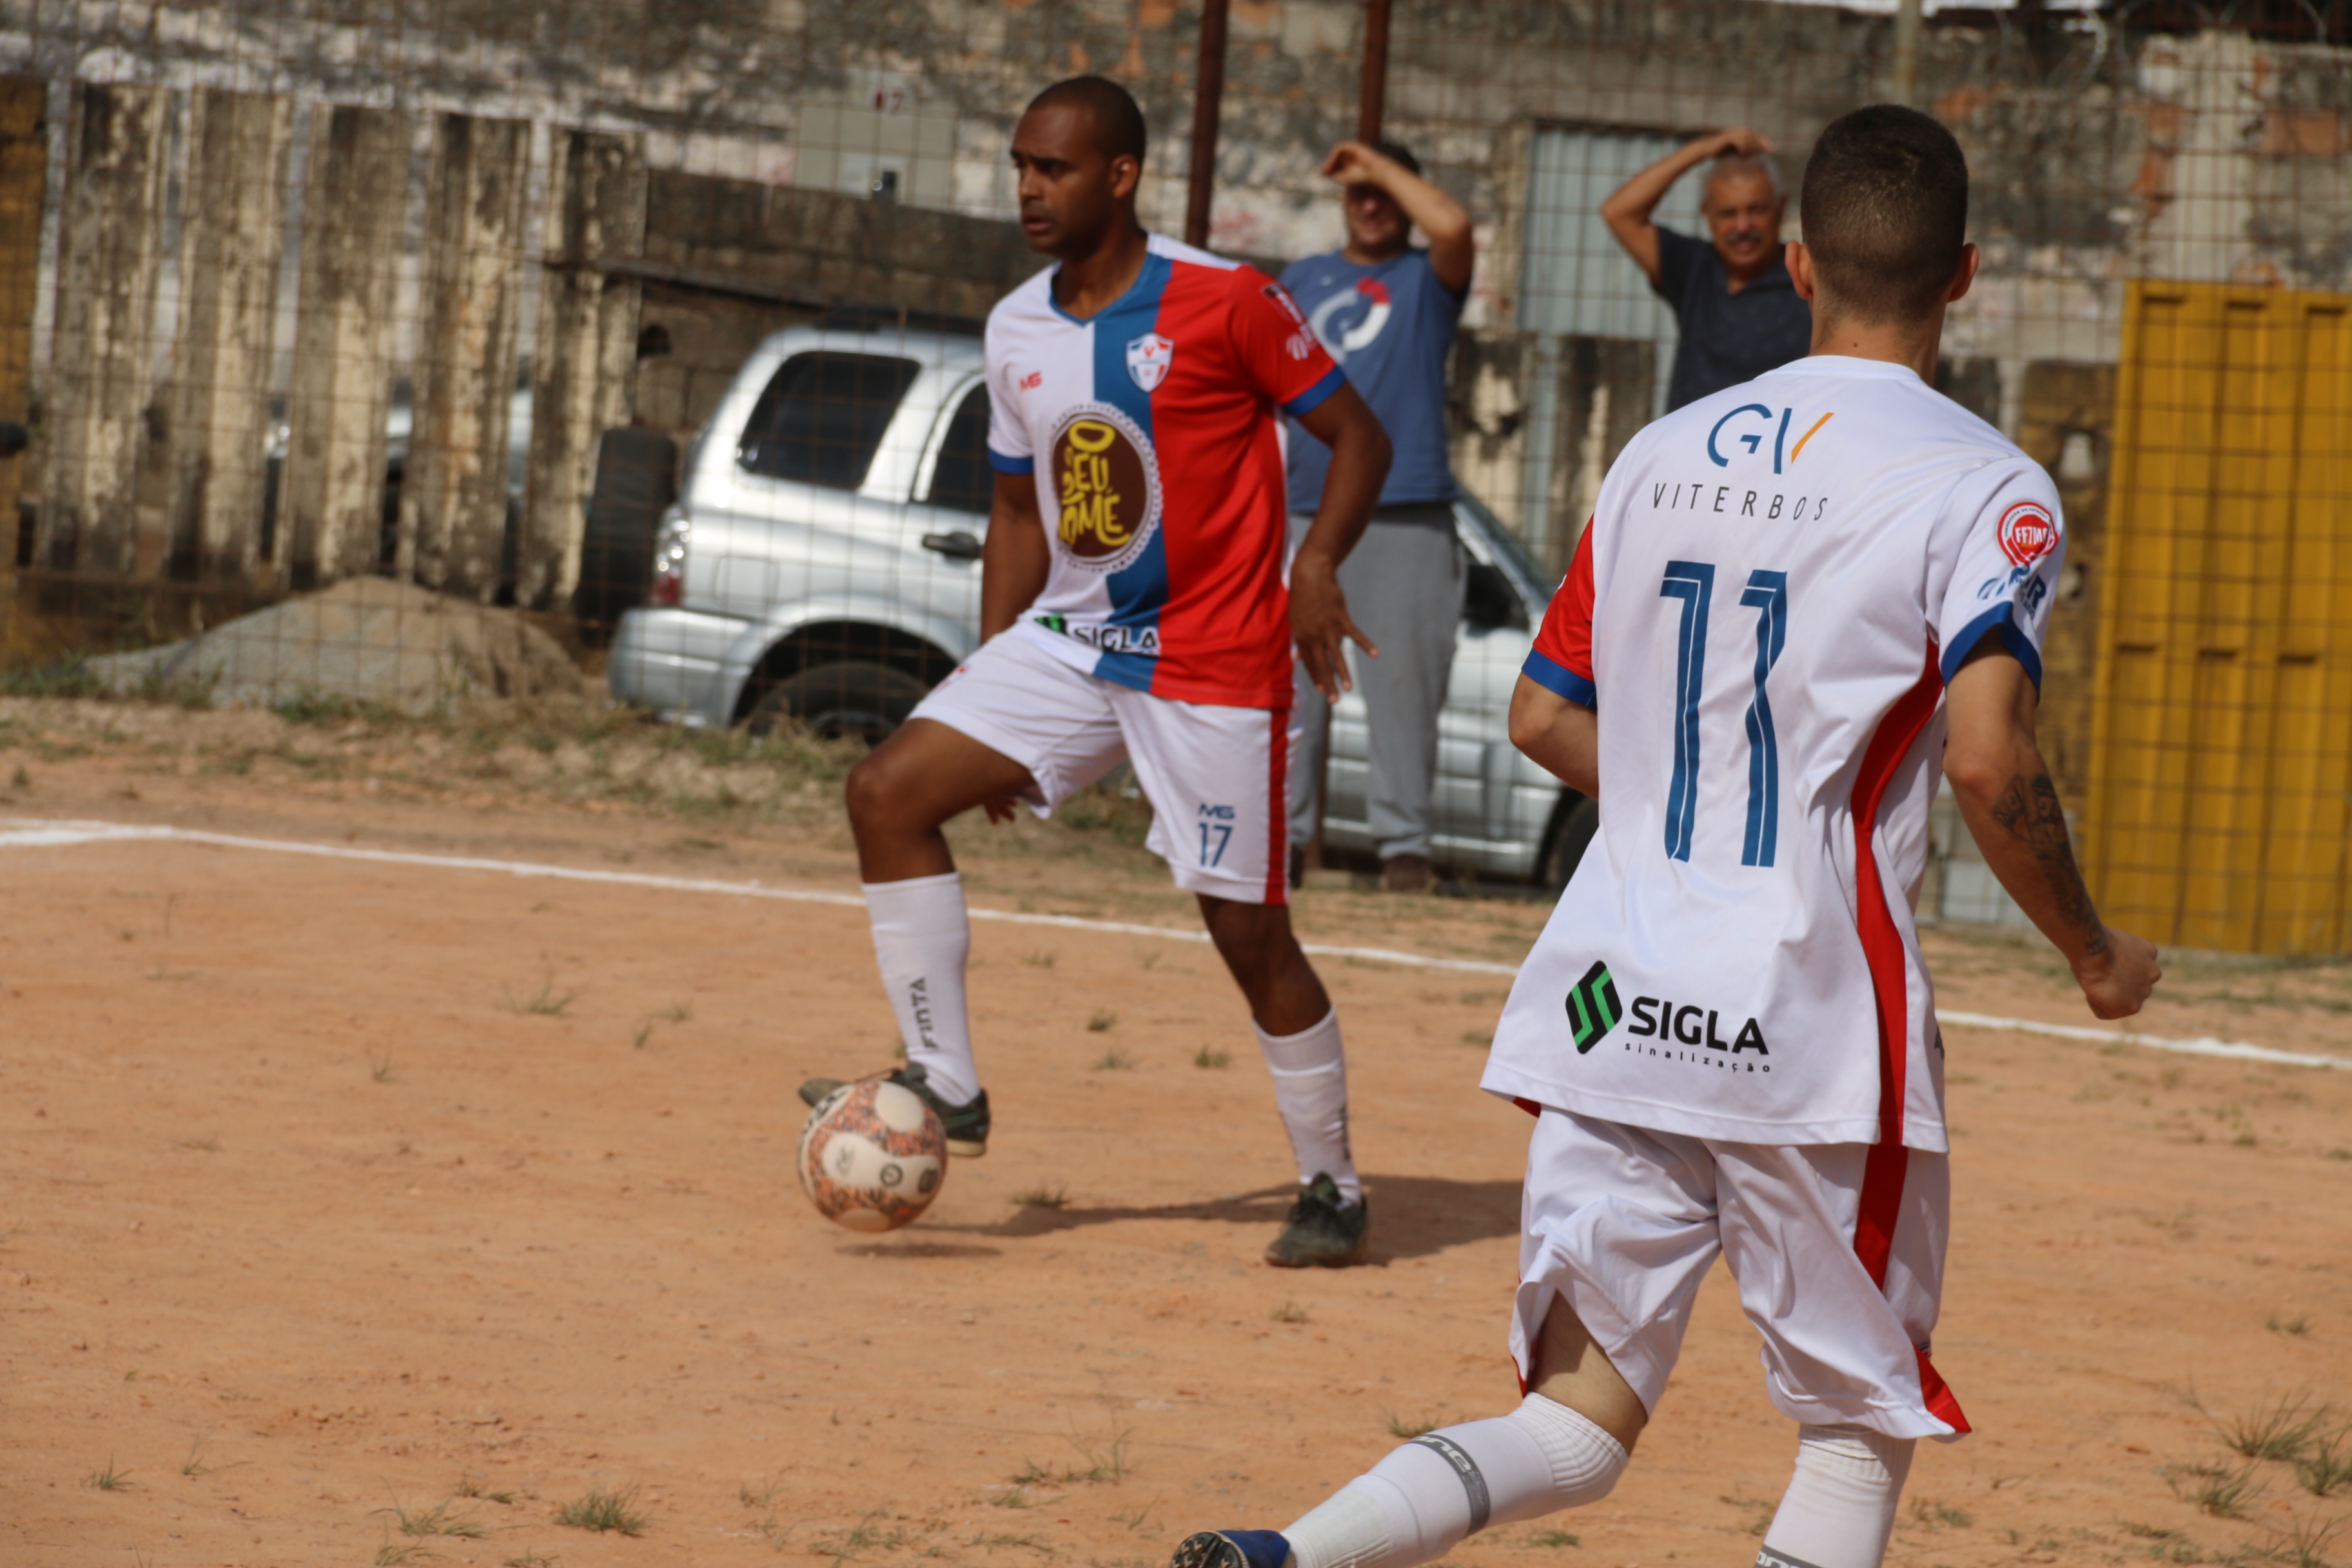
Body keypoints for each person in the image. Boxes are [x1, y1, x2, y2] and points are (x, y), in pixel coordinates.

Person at [1165, 104, 2162, 1568]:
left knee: (1573, 1422)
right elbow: (1987, 752)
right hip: (1812, 1023)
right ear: (1963, 276)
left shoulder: (1660, 453)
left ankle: (1285, 1555)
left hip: (1612, 988)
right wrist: (2092, 946)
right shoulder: (1985, 483)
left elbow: (1543, 714)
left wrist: (1683, 820)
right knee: (1850, 1430)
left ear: (1804, 263)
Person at [803, 77, 1395, 1269]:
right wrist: (985, 697)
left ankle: (1331, 1184)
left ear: (1118, 176)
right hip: (1071, 645)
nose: (1027, 187)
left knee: (1247, 933)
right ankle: (949, 1083)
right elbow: (1017, 511)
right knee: (886, 792)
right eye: (1020, 164)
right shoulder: (1015, 325)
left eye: (1053, 168)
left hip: (1213, 662)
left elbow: (1358, 436)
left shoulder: (1224, 301)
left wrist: (1316, 564)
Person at [1280, 139, 1473, 894]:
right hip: (1304, 512)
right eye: (1356, 193)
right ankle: (1283, 847)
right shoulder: (1302, 280)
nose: (1367, 205)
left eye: (1384, 194)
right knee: (1293, 690)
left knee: (1405, 691)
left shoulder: (1427, 279)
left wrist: (1377, 165)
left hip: (1407, 511)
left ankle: (1405, 859)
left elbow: (1454, 230)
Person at [1602, 127, 1813, 411]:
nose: (1742, 227)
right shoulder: (1693, 268)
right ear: (1707, 214)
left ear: (1781, 208)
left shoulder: (1805, 280)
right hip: (1686, 452)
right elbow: (1619, 213)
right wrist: (1702, 149)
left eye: (1757, 210)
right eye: (1728, 213)